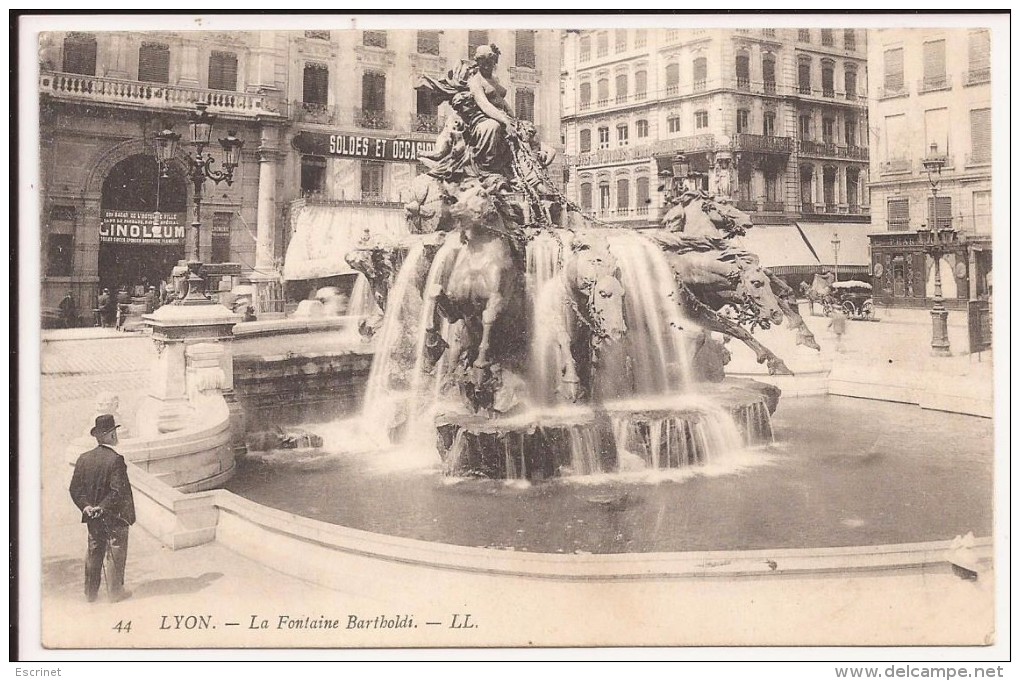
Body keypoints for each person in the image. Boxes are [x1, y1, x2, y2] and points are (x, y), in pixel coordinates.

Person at [68, 414, 136, 603]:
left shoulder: (83, 458)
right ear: (111, 435)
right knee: (115, 550)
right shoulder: (116, 460)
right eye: (114, 431)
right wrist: (102, 507)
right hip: (115, 516)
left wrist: (87, 507)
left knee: (94, 550)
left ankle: (90, 594)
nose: (116, 435)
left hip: (93, 516)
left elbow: (75, 489)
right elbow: (117, 491)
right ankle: (115, 594)